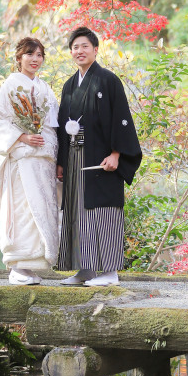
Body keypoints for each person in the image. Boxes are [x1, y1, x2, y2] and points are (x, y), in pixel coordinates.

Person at [56, 26, 142, 286]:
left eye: (84, 46)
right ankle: (85, 270)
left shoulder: (108, 80)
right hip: (75, 158)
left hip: (102, 159)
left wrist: (117, 153)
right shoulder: (69, 85)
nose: (79, 51)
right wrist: (61, 160)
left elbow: (121, 119)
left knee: (104, 211)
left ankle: (109, 272)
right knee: (77, 212)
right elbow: (62, 125)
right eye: (75, 47)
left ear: (95, 49)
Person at [0, 37, 60, 286]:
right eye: (30, 54)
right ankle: (18, 266)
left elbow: (52, 124)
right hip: (20, 158)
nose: (35, 59)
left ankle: (32, 266)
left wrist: (50, 149)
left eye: (39, 55)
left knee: (40, 209)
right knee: (21, 209)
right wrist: (22, 136)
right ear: (19, 58)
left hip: (42, 160)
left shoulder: (45, 88)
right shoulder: (10, 85)